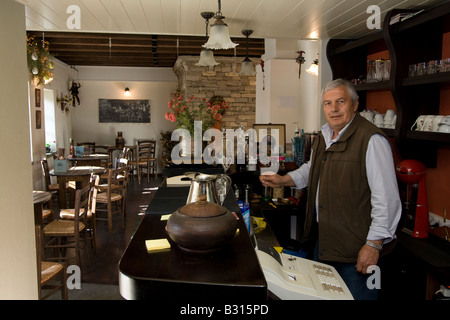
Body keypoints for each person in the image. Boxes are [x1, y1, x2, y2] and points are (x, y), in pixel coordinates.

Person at [259, 78, 401, 300]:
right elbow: (311, 169)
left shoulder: (371, 140)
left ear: (355, 105)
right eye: (327, 103)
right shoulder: (325, 136)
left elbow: (387, 200)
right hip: (323, 242)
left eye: (340, 101)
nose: (333, 109)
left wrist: (373, 245)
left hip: (356, 250)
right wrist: (283, 180)